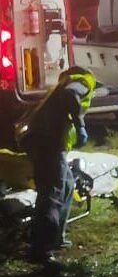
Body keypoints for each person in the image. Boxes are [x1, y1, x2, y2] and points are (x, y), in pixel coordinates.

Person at [17, 67, 96, 265]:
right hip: (47, 142)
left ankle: (56, 237)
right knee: (52, 193)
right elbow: (71, 95)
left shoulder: (61, 85)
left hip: (42, 140)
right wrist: (80, 126)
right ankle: (42, 249)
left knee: (67, 186)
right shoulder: (83, 81)